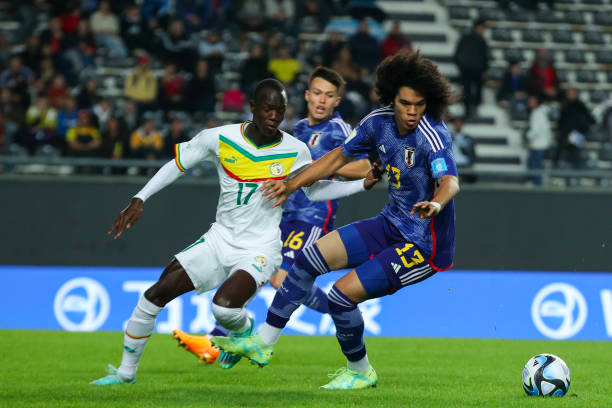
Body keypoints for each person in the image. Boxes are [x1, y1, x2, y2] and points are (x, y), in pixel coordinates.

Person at [90, 78, 381, 386]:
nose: (273, 117)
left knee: (223, 307)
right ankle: (125, 374)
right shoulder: (219, 138)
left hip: (260, 248)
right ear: (252, 107)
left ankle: (243, 330)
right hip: (218, 239)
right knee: (152, 297)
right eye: (267, 109)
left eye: (279, 111)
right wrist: (140, 198)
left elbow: (315, 191)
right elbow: (177, 164)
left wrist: (361, 184)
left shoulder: (295, 150)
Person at [211, 50, 459, 390]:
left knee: (341, 297)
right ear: (392, 99)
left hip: (423, 243)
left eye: (419, 104)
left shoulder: (433, 134)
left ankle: (360, 371)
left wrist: (436, 202)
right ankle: (264, 342)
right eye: (405, 103)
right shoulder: (377, 123)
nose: (412, 111)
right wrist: (290, 184)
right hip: (390, 223)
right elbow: (334, 159)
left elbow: (450, 181)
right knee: (307, 258)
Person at [173, 67, 371, 368]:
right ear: (306, 95)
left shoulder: (339, 130)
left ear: (336, 102)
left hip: (313, 217)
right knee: (255, 274)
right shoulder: (299, 127)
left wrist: (321, 166)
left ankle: (339, 307)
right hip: (283, 213)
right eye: (317, 93)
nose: (321, 100)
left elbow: (365, 167)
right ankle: (217, 342)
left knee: (281, 279)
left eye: (328, 96)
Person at [453, 19, 489, 118]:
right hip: (469, 71)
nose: (483, 30)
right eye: (482, 27)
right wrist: (462, 66)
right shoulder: (468, 39)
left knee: (474, 92)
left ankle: (471, 111)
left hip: (473, 71)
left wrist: (484, 70)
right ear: (477, 27)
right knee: (469, 91)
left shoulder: (479, 40)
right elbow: (457, 55)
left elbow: (485, 57)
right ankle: (469, 111)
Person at [525, 95, 553, 186]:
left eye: (532, 101)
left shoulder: (537, 113)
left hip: (538, 144)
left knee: (535, 166)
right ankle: (535, 183)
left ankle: (537, 184)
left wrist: (527, 136)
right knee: (532, 164)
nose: (530, 103)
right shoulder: (539, 112)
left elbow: (535, 130)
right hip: (539, 143)